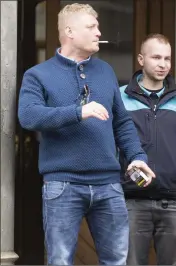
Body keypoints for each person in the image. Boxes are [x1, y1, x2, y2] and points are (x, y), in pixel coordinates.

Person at [18, 3, 155, 265]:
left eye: (98, 26)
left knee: (116, 262)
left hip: (109, 184)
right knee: (60, 262)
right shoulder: (38, 75)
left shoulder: (105, 71)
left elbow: (122, 123)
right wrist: (79, 112)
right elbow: (29, 116)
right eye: (92, 27)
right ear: (69, 31)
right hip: (62, 184)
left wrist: (137, 157)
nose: (98, 32)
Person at [119, 33, 176, 265]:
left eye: (167, 58)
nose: (163, 64)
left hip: (174, 202)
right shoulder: (119, 98)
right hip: (130, 201)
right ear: (141, 59)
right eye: (156, 57)